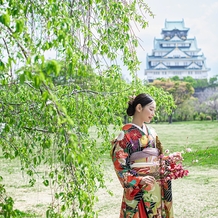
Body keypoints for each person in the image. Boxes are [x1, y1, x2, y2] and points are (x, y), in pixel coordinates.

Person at [111, 93, 174, 218]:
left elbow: (158, 158)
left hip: (155, 186)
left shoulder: (152, 133)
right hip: (138, 187)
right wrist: (139, 180)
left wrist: (169, 160)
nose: (153, 113)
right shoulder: (124, 135)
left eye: (154, 110)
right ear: (139, 108)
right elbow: (120, 167)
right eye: (151, 109)